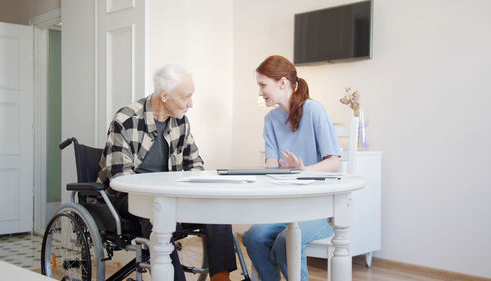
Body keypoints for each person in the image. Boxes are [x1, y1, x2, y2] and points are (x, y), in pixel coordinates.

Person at [97, 64, 236, 281]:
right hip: (131, 198)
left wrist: (190, 194)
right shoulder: (126, 120)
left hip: (173, 197)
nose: (191, 103)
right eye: (186, 97)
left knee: (217, 210)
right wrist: (163, 198)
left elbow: (195, 164)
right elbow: (119, 177)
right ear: (164, 95)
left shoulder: (181, 121)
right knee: (158, 213)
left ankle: (221, 278)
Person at [242, 55, 341, 281]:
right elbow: (272, 164)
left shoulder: (314, 110)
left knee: (285, 241)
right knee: (253, 237)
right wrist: (263, 172)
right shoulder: (270, 120)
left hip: (318, 207)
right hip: (285, 206)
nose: (259, 92)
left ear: (283, 83)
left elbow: (334, 162)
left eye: (263, 85)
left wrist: (304, 170)